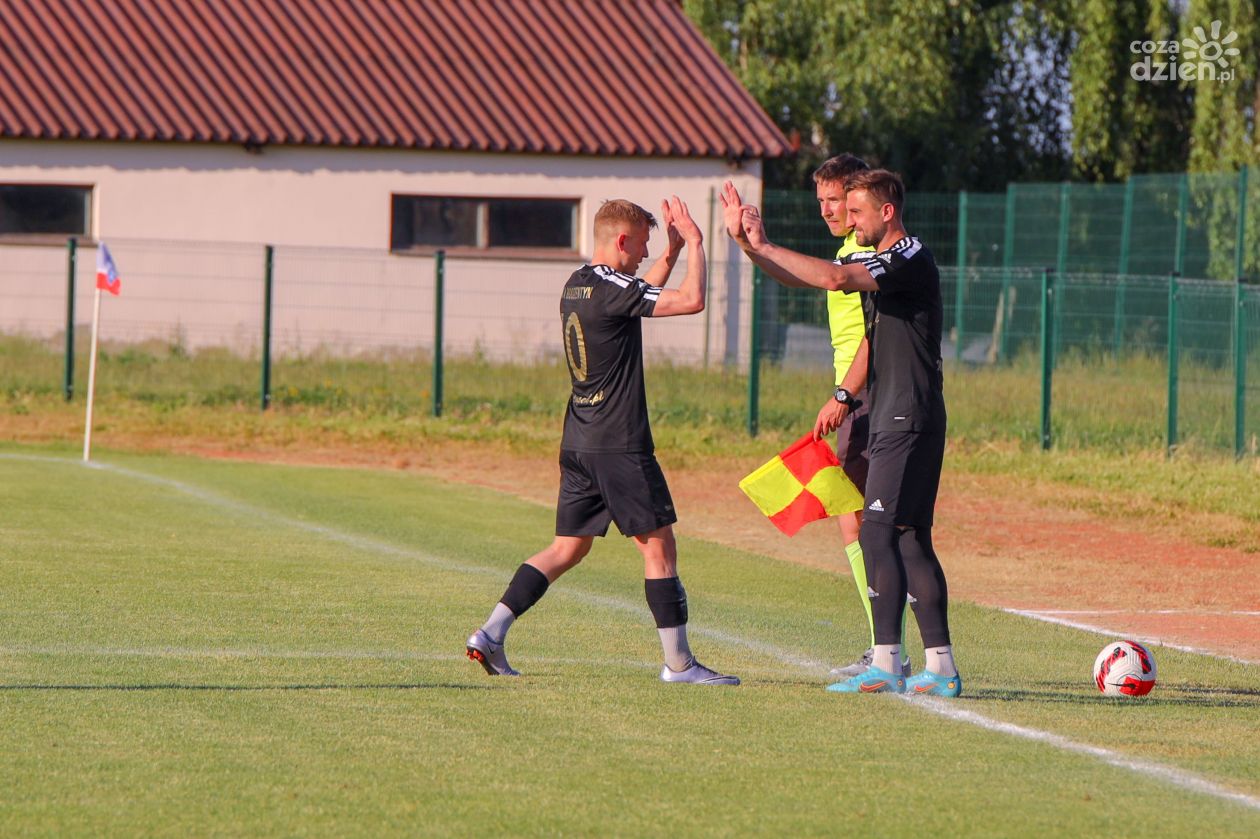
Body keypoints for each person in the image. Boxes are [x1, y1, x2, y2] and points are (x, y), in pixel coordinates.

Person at [466, 197, 739, 686]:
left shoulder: (578, 283)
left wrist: (671, 254)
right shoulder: (615, 288)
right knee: (659, 548)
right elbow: (691, 300)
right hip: (619, 444)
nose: (644, 253)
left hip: (580, 439)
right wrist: (697, 243)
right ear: (621, 240)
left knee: (567, 548)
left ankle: (490, 633)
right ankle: (680, 665)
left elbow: (634, 294)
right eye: (642, 245)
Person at [721, 170, 961, 697]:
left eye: (856, 212)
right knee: (908, 536)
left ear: (887, 212)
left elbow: (832, 278)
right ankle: (940, 668)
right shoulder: (884, 262)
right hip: (904, 412)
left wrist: (764, 243)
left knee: (877, 531)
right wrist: (750, 246)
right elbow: (831, 296)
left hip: (905, 415)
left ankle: (887, 663)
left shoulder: (907, 256)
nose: (848, 221)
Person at [806, 154, 913, 681]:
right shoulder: (849, 251)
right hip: (857, 398)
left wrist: (845, 395)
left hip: (866, 398)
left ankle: (887, 648)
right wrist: (752, 246)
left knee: (869, 521)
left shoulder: (865, 257)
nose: (829, 211)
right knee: (856, 519)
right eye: (822, 201)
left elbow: (874, 335)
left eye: (837, 201)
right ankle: (885, 645)